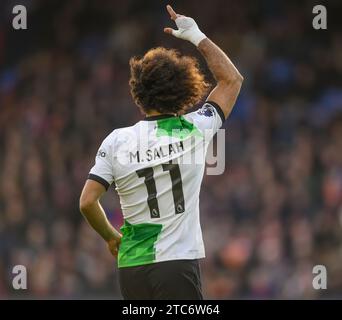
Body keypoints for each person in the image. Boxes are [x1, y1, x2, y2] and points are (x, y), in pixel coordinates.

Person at [79, 5, 243, 300]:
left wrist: (111, 237)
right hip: (176, 264)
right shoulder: (195, 129)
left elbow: (88, 202)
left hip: (131, 266)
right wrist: (196, 36)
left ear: (138, 93)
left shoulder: (117, 140)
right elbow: (231, 80)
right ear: (185, 89)